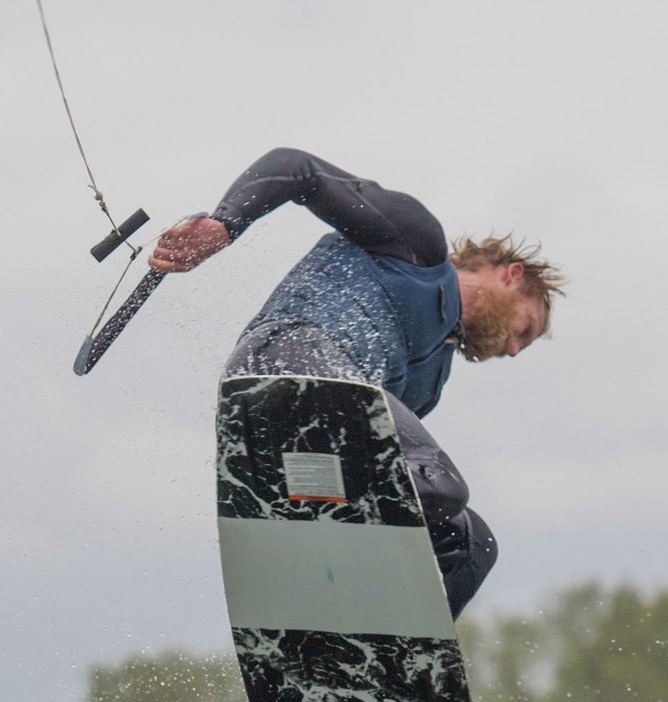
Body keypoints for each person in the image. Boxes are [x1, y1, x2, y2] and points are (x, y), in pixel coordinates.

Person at [152, 147, 565, 618]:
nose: (513, 350)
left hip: (317, 443)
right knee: (433, 484)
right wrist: (224, 225)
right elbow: (298, 170)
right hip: (284, 360)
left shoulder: (429, 382)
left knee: (470, 546)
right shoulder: (417, 245)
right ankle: (350, 604)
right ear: (511, 276)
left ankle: (374, 644)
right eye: (525, 330)